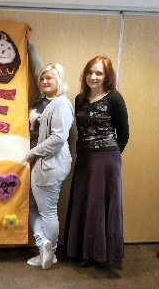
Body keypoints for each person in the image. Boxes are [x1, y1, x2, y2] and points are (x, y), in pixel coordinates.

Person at [65, 56, 129, 268]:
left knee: (99, 205)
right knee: (85, 203)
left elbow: (124, 134)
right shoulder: (79, 98)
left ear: (107, 76)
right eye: (90, 72)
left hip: (107, 159)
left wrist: (110, 154)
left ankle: (100, 255)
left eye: (99, 73)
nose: (93, 77)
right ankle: (82, 251)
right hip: (84, 158)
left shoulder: (114, 98)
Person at [25, 32, 74, 270]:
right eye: (43, 78)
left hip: (47, 164)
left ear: (59, 80)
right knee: (33, 207)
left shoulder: (61, 104)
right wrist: (30, 44)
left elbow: (57, 138)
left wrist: (32, 153)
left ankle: (50, 253)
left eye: (50, 78)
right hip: (40, 164)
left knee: (48, 211)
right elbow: (38, 69)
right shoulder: (44, 99)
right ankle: (43, 243)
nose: (44, 81)